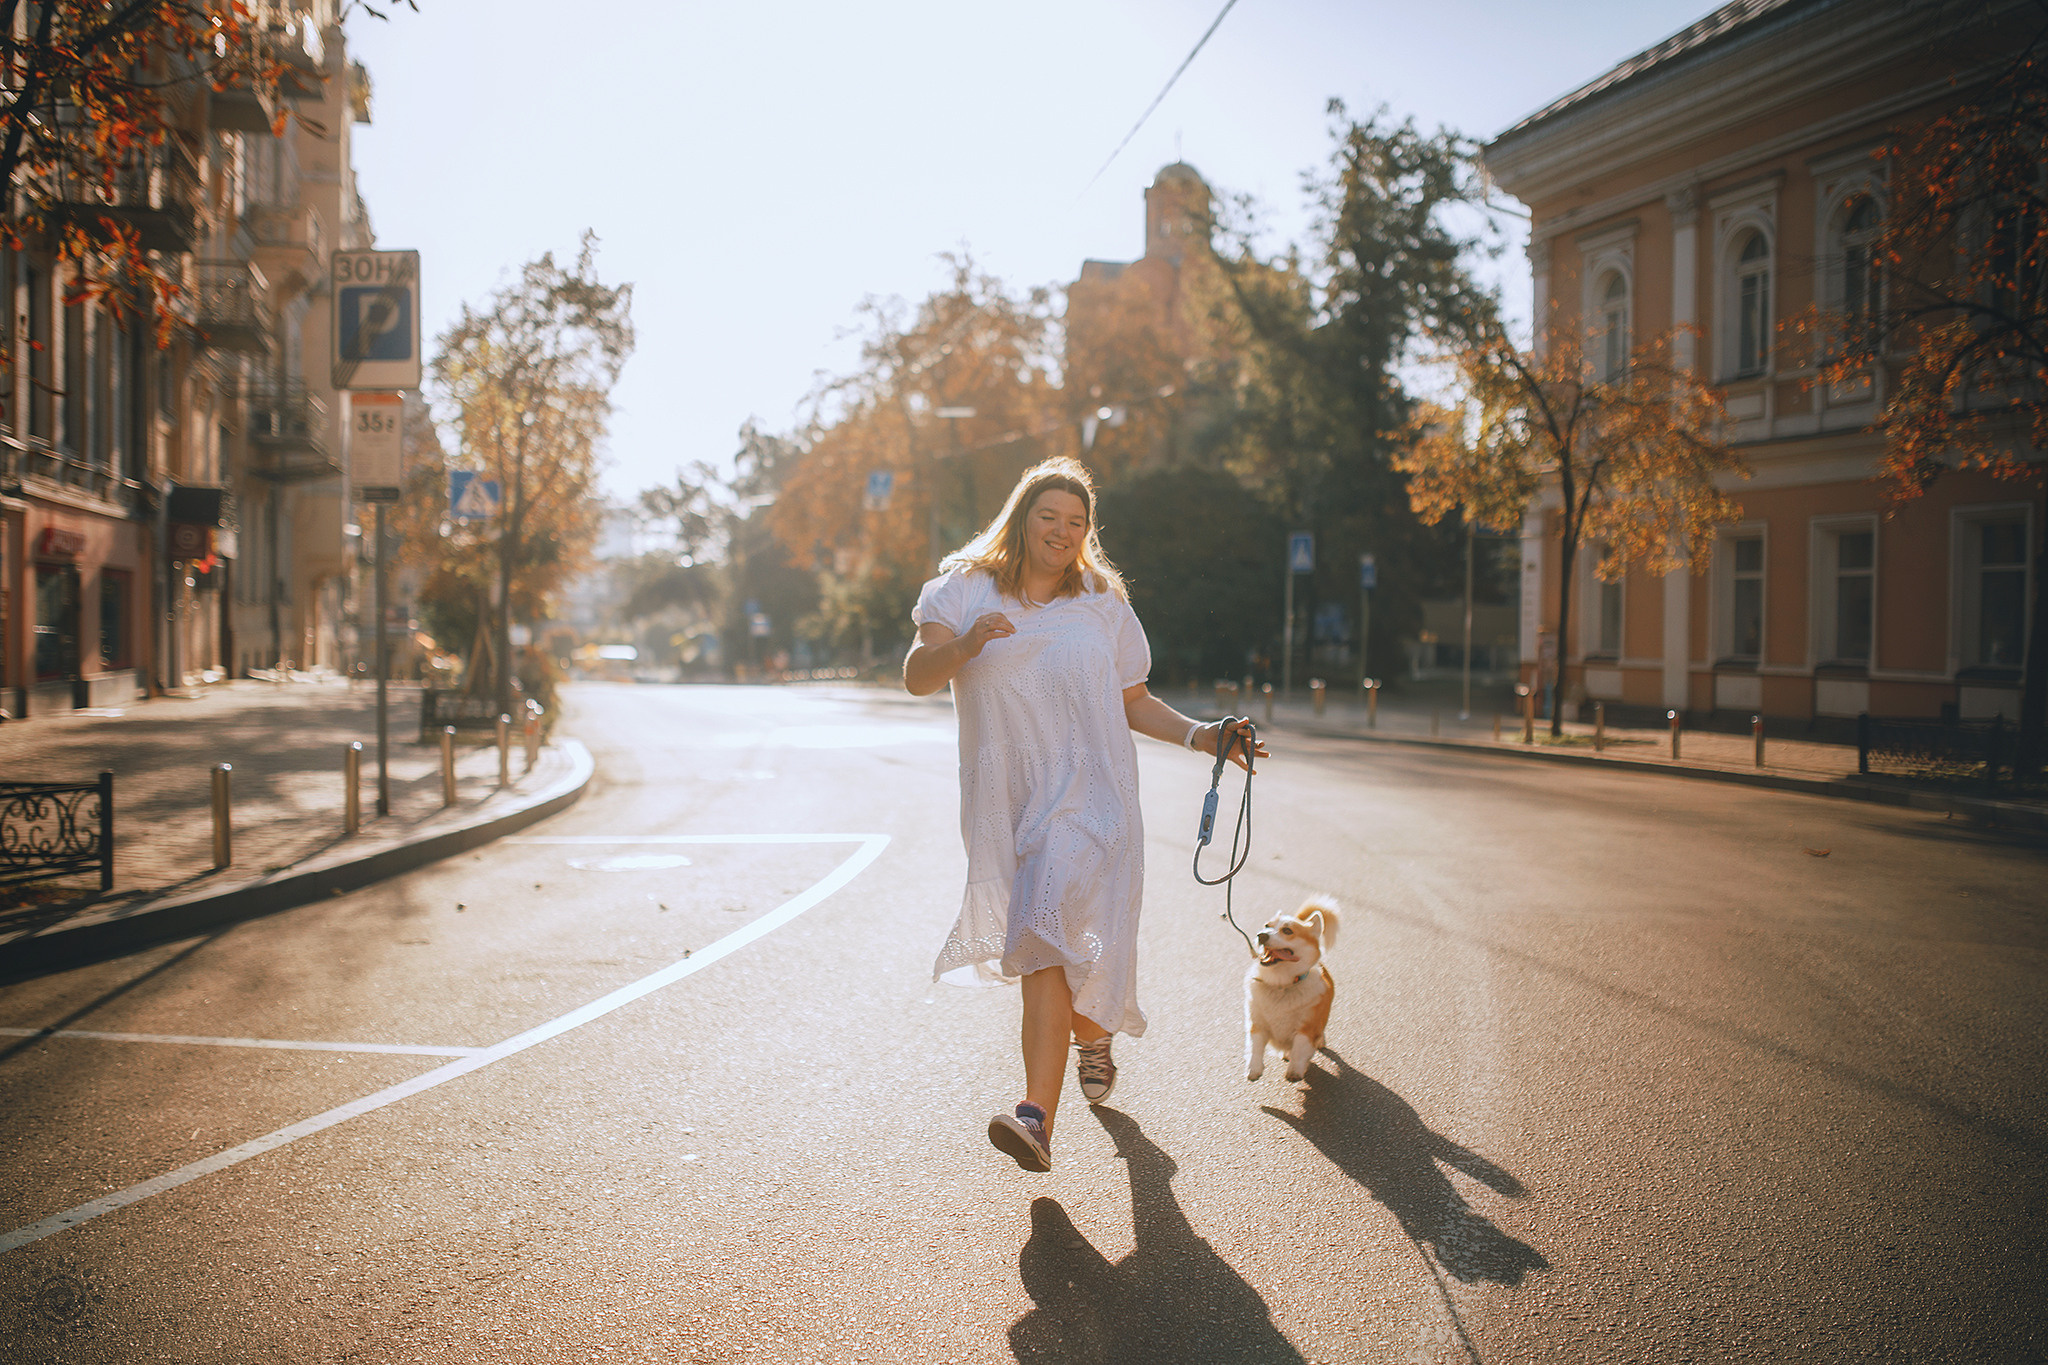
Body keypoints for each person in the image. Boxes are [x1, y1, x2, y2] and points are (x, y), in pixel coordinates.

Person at [904, 456, 1265, 1173]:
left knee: (1050, 943)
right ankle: (1072, 1064)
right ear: (1022, 518)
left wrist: (1202, 735)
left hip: (1094, 799)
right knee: (1048, 947)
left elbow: (1134, 700)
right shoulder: (963, 589)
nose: (1063, 531)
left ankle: (1047, 1099)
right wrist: (967, 645)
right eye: (1049, 516)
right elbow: (918, 675)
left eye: (1077, 521)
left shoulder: (1102, 601)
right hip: (1010, 803)